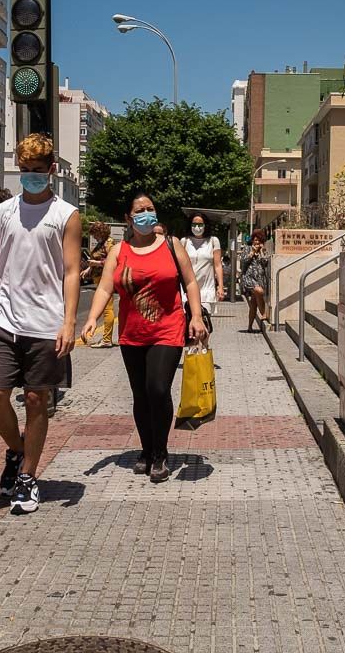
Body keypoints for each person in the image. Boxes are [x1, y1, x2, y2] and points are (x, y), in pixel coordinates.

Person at [0, 133, 81, 515]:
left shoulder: (66, 215)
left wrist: (69, 321)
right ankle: (18, 450)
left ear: (51, 171)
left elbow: (72, 271)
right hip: (4, 317)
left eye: (37, 171)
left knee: (38, 400)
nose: (30, 177)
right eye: (25, 171)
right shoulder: (4, 212)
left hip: (46, 321)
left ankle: (27, 476)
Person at [81, 191, 208, 483]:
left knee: (158, 389)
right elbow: (104, 289)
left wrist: (197, 316)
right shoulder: (119, 251)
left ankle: (160, 453)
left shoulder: (171, 245)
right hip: (132, 333)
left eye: (150, 208)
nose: (146, 214)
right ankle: (147, 449)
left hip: (168, 328)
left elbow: (190, 282)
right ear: (128, 218)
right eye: (140, 210)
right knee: (140, 395)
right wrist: (92, 318)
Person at [182, 212, 224, 315]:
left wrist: (221, 286)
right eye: (194, 224)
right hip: (187, 290)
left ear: (205, 225)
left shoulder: (213, 241)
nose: (197, 227)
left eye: (200, 224)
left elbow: (218, 265)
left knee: (204, 322)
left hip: (206, 290)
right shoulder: (184, 241)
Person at [85, 221, 117, 348]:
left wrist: (95, 263)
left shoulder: (109, 243)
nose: (94, 237)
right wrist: (89, 268)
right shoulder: (101, 243)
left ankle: (107, 339)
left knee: (107, 309)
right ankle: (106, 338)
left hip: (106, 278)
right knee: (105, 309)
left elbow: (112, 261)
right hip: (99, 277)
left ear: (101, 232)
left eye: (95, 234)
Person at [241, 229, 271, 332]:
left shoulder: (263, 250)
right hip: (249, 278)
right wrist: (252, 253)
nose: (256, 242)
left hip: (259, 279)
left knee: (253, 303)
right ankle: (263, 313)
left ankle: (249, 326)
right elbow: (243, 261)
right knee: (259, 291)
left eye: (258, 240)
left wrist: (261, 252)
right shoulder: (247, 248)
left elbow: (265, 262)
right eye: (254, 240)